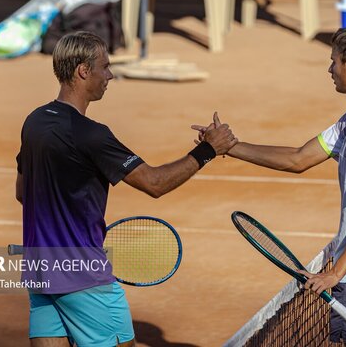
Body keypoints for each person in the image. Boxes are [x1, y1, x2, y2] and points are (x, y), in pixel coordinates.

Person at [193, 25, 346, 346]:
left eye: (334, 61)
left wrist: (336, 272)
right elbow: (299, 158)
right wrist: (229, 146)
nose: (330, 69)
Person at [15, 31, 237, 347]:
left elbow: (23, 193)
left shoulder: (34, 121)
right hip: (83, 276)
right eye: (104, 67)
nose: (110, 75)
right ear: (82, 71)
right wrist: (208, 151)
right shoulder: (92, 134)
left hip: (40, 270)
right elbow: (155, 183)